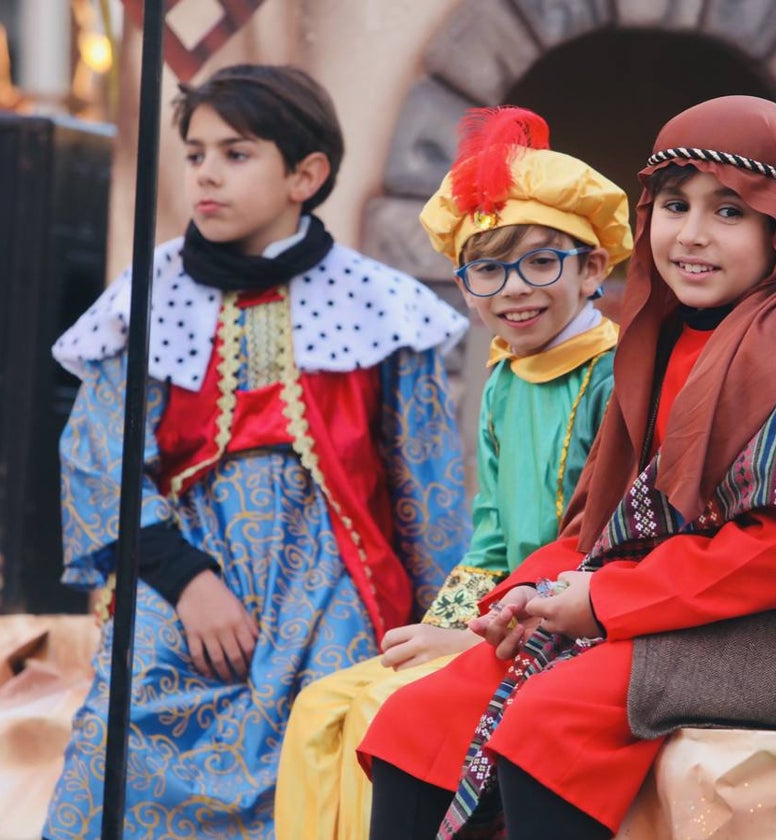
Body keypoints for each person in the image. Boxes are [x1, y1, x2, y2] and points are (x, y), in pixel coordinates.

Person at [358, 95, 776, 840]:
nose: (692, 235)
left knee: (553, 717)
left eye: (729, 211)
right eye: (674, 205)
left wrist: (605, 602)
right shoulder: (657, 343)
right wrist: (525, 595)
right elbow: (604, 524)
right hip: (669, 612)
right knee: (423, 716)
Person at [41, 64, 471, 840]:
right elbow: (96, 457)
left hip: (331, 594)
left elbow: (430, 490)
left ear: (305, 174)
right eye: (196, 152)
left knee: (327, 749)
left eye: (235, 154)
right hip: (183, 584)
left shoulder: (382, 306)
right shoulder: (151, 295)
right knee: (118, 740)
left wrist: (455, 628)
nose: (206, 172)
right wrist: (185, 579)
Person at [274, 106, 632, 840]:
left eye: (541, 261)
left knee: (384, 711)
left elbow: (604, 542)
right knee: (322, 708)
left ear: (594, 266)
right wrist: (447, 627)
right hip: (501, 613)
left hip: (572, 623)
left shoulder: (617, 378)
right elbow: (494, 535)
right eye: (487, 269)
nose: (513, 290)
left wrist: (478, 642)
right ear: (464, 285)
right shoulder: (505, 378)